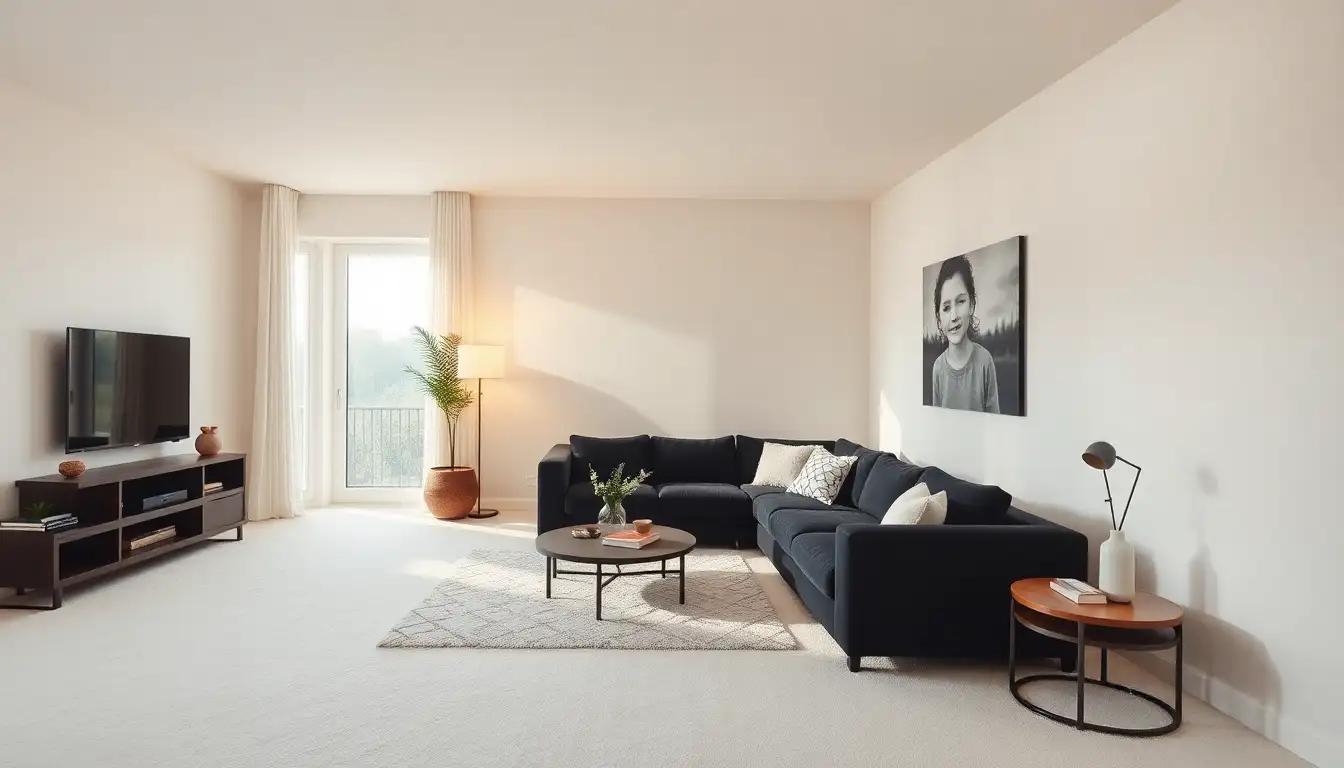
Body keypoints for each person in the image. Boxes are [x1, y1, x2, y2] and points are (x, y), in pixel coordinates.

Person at [930, 255, 1000, 413]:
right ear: (939, 319)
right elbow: (936, 420)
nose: (954, 316)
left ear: (971, 305)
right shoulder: (938, 368)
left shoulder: (985, 361)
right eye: (946, 308)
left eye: (960, 301)